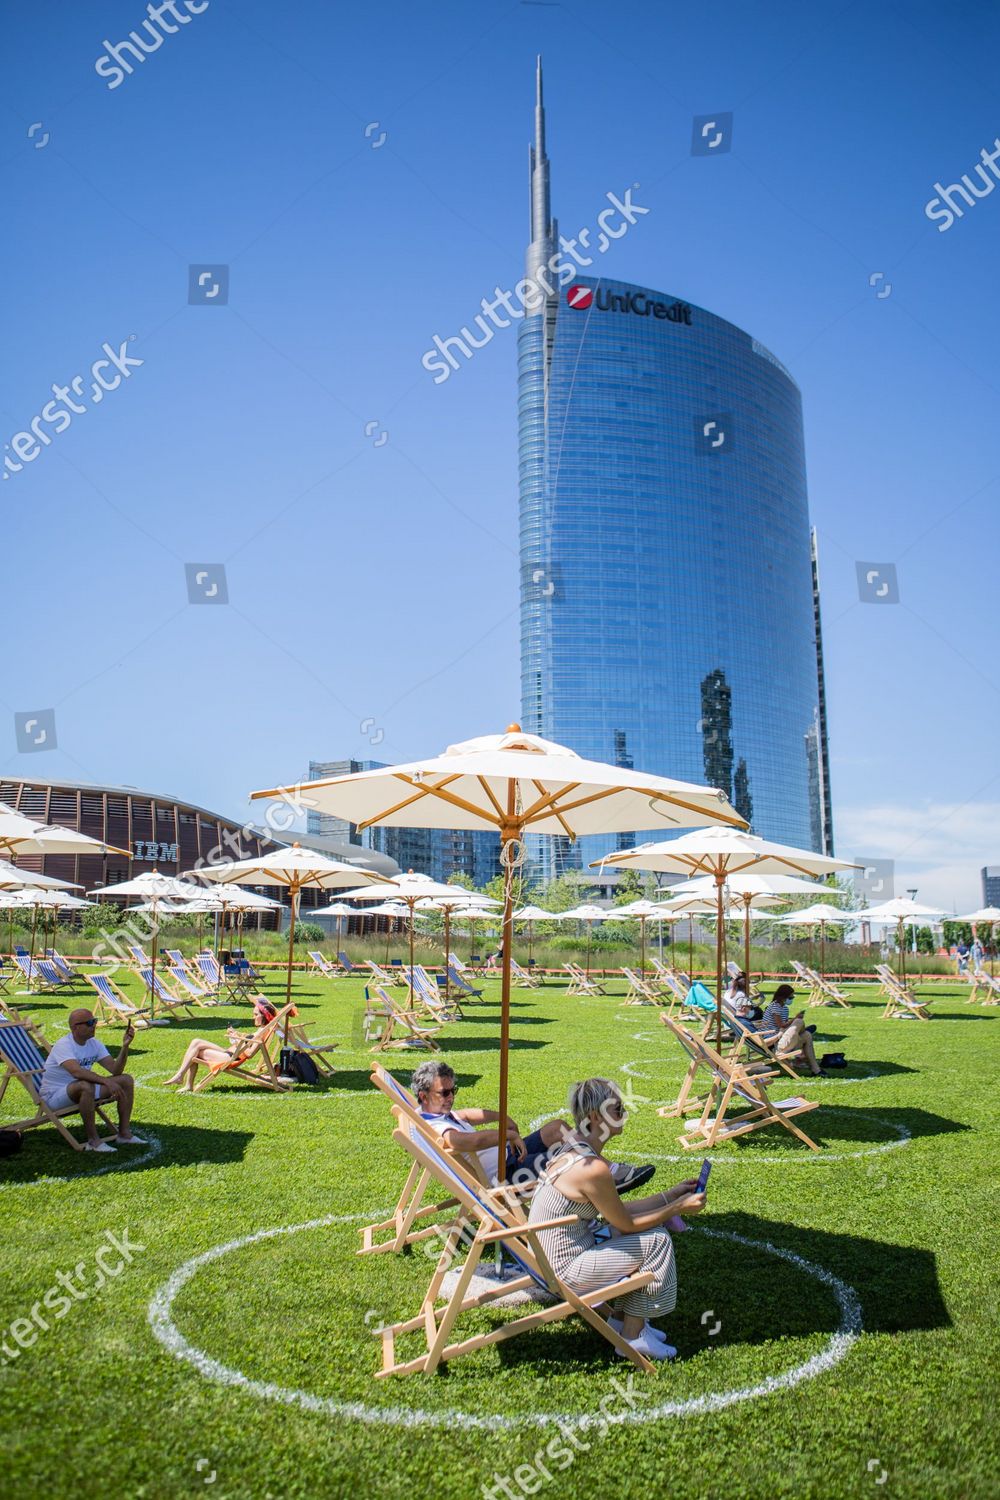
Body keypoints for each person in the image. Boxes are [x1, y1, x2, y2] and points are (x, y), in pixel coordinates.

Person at [528, 1076, 706, 1362]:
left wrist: (670, 1196)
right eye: (618, 1109)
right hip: (564, 1270)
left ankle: (623, 1322)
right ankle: (632, 1339)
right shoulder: (593, 1168)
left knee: (636, 1233)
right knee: (656, 1242)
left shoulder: (575, 1150)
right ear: (596, 1116)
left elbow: (618, 1212)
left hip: (551, 1259)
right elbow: (626, 1223)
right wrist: (677, 1208)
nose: (624, 1114)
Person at [410, 1059, 654, 1192]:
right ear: (423, 1095)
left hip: (510, 1157)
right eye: (444, 1093)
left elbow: (467, 1114)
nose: (451, 1097)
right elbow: (466, 1141)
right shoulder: (435, 1126)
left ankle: (604, 1169)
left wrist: (501, 1117)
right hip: (504, 1174)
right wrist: (506, 1134)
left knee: (557, 1128)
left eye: (453, 1090)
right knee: (565, 1158)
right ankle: (605, 1176)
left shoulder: (439, 1112)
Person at [39, 1008, 145, 1153]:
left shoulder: (94, 1043)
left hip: (82, 1090)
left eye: (94, 1021)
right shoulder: (64, 1045)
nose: (94, 1025)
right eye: (89, 1023)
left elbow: (115, 1070)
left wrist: (125, 1046)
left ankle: (124, 1134)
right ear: (75, 1027)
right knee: (85, 1086)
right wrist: (106, 1081)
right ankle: (94, 1141)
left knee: (126, 1080)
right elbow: (76, 1072)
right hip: (54, 1097)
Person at [759, 984, 824, 1076]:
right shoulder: (775, 1006)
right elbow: (781, 1025)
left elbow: (784, 1026)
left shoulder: (784, 1008)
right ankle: (802, 1030)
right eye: (790, 997)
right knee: (799, 1021)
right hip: (775, 1043)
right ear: (783, 996)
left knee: (807, 1035)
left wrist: (793, 1022)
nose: (792, 998)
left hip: (783, 1039)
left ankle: (816, 1069)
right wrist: (794, 1019)